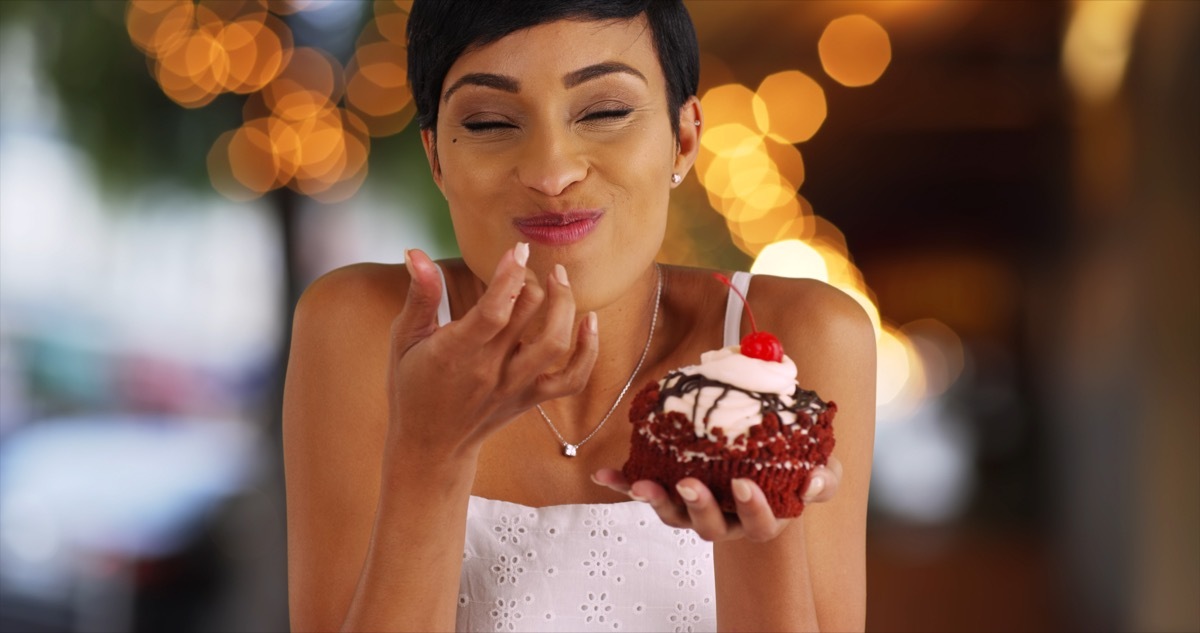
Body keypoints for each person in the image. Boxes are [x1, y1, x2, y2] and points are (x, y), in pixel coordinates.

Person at [282, 1, 876, 631]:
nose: (552, 172)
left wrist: (761, 526)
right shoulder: (362, 330)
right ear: (436, 158)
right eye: (487, 123)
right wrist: (430, 454)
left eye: (605, 112)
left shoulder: (803, 337)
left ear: (684, 138)